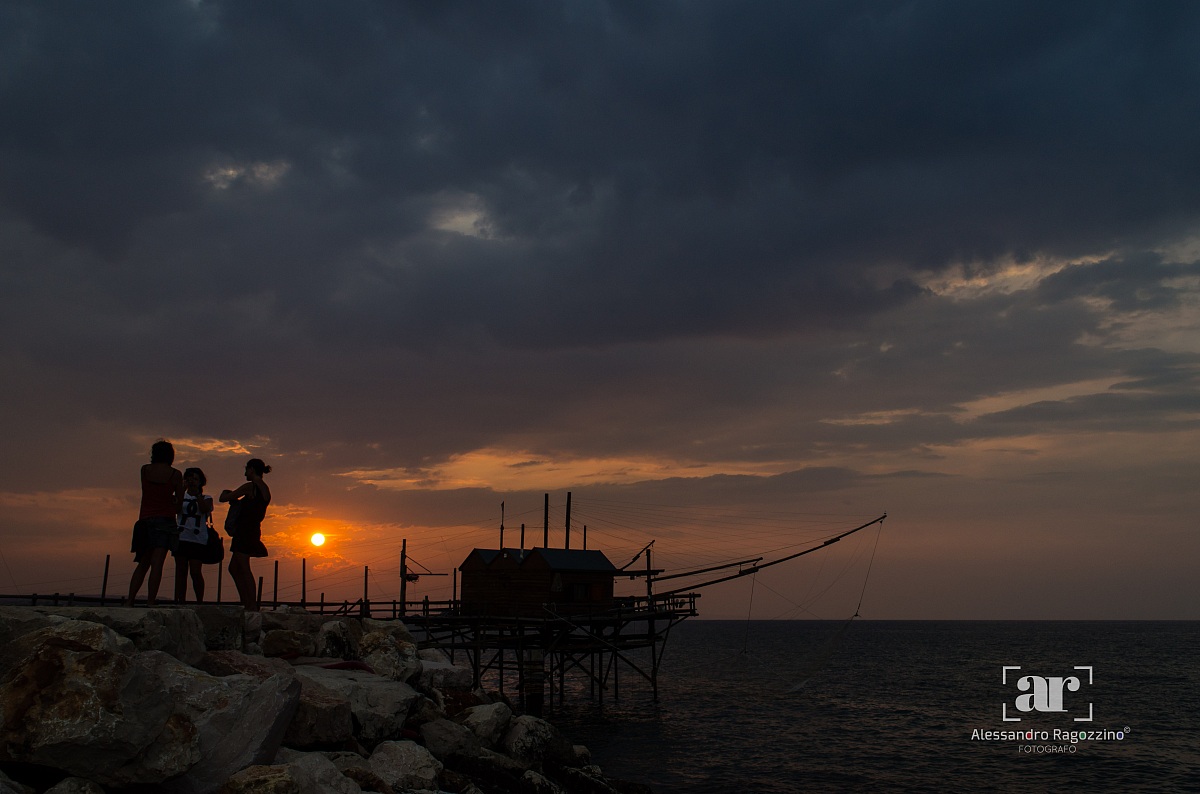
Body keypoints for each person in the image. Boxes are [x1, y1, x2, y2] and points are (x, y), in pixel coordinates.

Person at [126, 439, 184, 606]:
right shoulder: (175, 474)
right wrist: (173, 499)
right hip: (165, 521)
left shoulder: (144, 470)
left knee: (142, 563)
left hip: (144, 520)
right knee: (157, 564)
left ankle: (130, 600)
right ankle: (151, 601)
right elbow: (179, 504)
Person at [220, 458, 271, 611]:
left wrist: (228, 494)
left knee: (243, 566)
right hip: (253, 530)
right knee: (234, 568)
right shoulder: (265, 489)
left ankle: (251, 605)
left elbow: (223, 498)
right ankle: (247, 602)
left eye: (246, 470)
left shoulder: (250, 487)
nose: (245, 473)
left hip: (245, 531)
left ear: (252, 469)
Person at [173, 467, 214, 603]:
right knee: (181, 571)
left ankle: (199, 601)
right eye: (189, 479)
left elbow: (204, 509)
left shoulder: (207, 498)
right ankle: (180, 600)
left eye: (195, 479)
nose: (192, 482)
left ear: (201, 482)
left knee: (195, 572)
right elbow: (176, 509)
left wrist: (197, 495)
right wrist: (181, 492)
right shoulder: (180, 496)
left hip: (198, 539)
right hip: (181, 536)